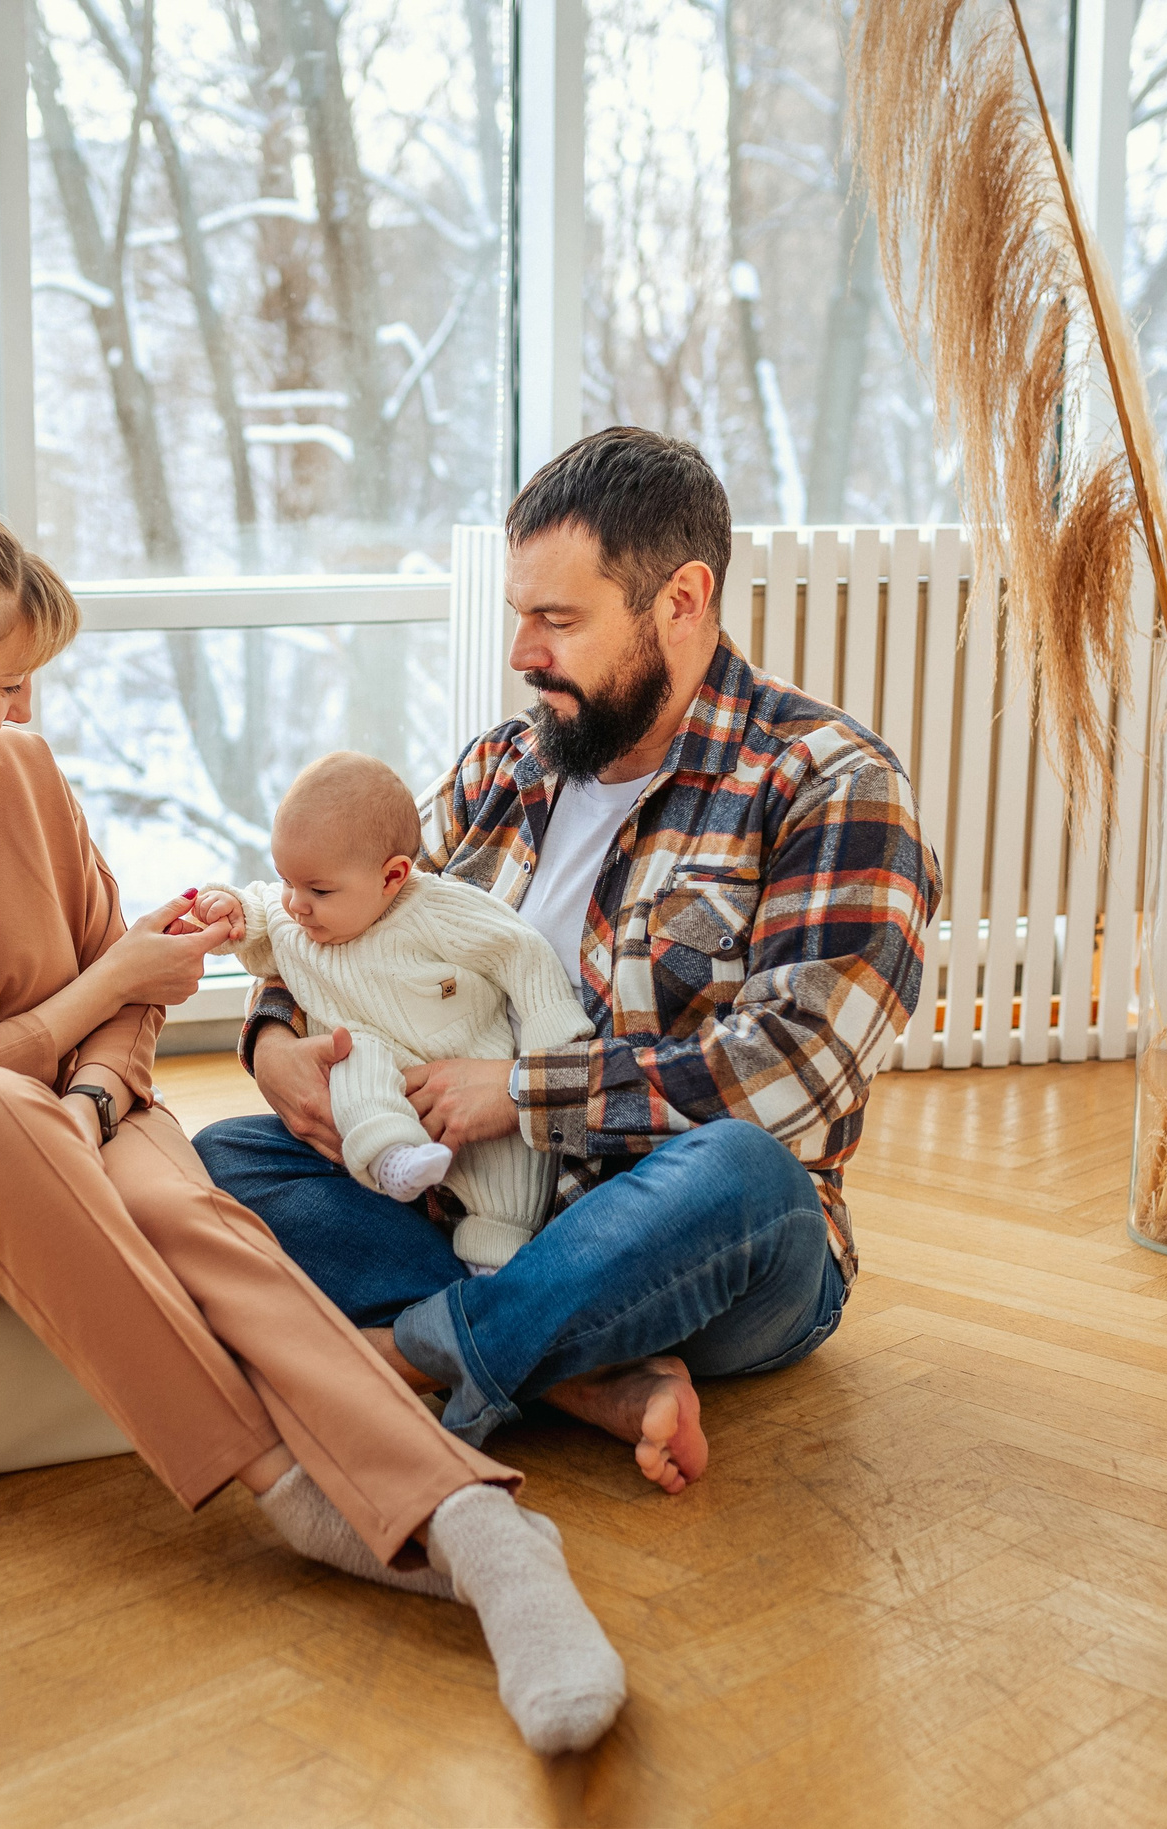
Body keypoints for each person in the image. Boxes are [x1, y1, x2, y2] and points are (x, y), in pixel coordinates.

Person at [0, 462, 625, 1755]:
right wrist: (91, 1017)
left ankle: (476, 1525)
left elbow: (123, 989)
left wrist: (87, 1088)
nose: (26, 708)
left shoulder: (16, 770)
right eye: (3, 680)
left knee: (192, 1213)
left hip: (67, 1119)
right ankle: (296, 1491)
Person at [194, 428, 941, 1495]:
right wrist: (273, 1041)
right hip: (465, 1213)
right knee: (222, 1158)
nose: (522, 653)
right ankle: (576, 1375)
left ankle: (406, 1351)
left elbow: (796, 1073)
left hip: (688, 1238)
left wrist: (520, 1094)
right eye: (520, 615)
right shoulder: (506, 763)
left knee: (743, 1173)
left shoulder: (827, 782)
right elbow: (347, 904)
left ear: (680, 599)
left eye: (558, 619)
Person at [191, 751, 593, 1269]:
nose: (296, 903)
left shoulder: (434, 909)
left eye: (317, 889)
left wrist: (549, 1036)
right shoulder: (301, 911)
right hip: (375, 1089)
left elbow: (517, 949)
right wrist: (228, 913)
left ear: (393, 876)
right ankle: (392, 1159)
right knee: (323, 1085)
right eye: (287, 879)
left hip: (479, 1085)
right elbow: (261, 918)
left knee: (505, 1196)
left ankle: (489, 1288)